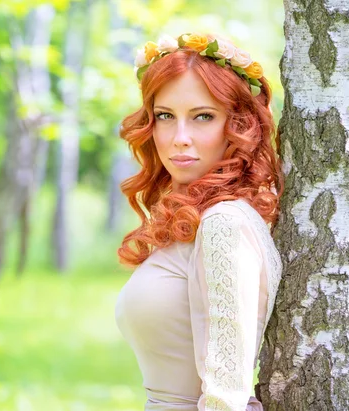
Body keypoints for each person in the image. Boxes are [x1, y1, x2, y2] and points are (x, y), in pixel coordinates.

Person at [114, 32, 284, 411]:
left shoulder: (224, 223)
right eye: (165, 117)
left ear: (238, 125)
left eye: (202, 116)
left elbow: (226, 393)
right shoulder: (203, 218)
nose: (180, 138)